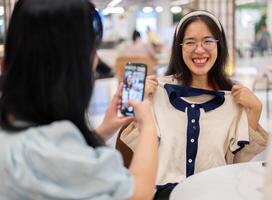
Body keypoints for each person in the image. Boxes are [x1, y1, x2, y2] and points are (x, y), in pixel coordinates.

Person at [0, 0, 158, 199]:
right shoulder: (45, 148)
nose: (95, 61)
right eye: (92, 49)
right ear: (71, 64)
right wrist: (148, 125)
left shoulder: (18, 131)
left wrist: (103, 131)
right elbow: (138, 193)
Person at [120, 10, 269, 199]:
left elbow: (238, 162)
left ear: (219, 46)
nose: (199, 50)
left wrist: (255, 109)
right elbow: (140, 150)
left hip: (214, 193)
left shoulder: (234, 98)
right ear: (179, 48)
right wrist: (140, 104)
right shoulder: (157, 94)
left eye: (208, 41)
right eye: (190, 42)